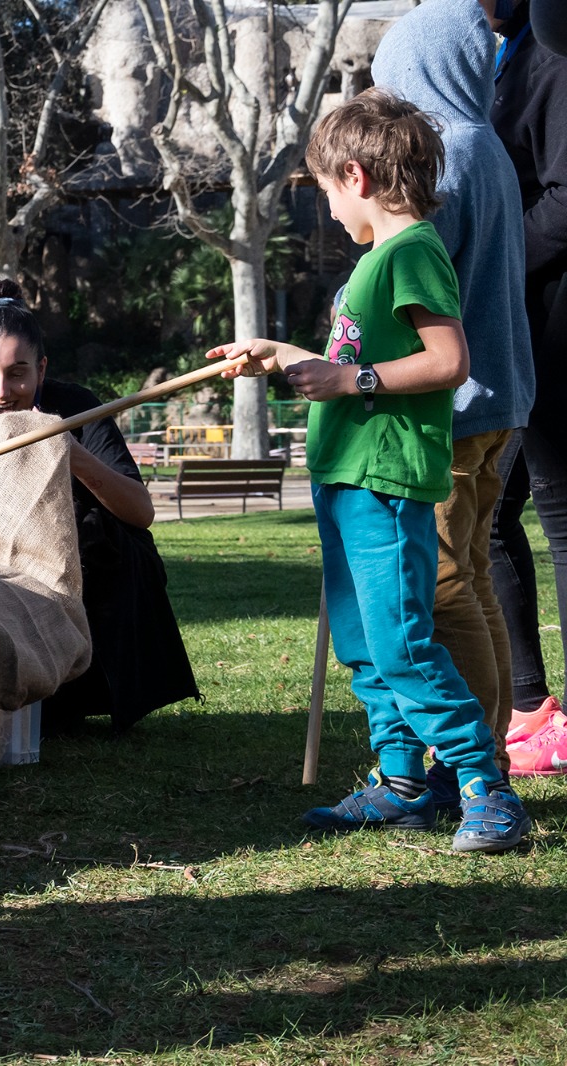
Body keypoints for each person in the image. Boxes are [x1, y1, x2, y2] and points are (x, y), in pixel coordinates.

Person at [207, 88, 529, 853]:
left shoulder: (411, 252)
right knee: (363, 644)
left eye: (322, 192)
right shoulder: (380, 262)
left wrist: (350, 382)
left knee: (403, 645)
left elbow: (448, 361)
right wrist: (285, 357)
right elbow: (350, 361)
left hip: (385, 485)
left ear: (353, 176)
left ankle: (486, 787)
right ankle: (401, 784)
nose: (328, 210)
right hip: (349, 480)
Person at [370, 0, 535, 801]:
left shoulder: (452, 157)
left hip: (459, 408)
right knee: (470, 574)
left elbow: (422, 287)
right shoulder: (488, 147)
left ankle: (472, 765)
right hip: (502, 400)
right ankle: (487, 751)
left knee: (440, 585)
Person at [0, 280, 199, 733]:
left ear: (41, 368)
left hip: (77, 558)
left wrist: (71, 451)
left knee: (108, 539)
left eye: (17, 373)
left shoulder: (76, 407)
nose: (1, 391)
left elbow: (141, 512)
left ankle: (78, 693)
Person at [481, 0, 567, 775]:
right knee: (496, 506)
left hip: (551, 317)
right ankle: (529, 701)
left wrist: (497, 262)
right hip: (516, 326)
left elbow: (566, 199)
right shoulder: (496, 58)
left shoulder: (556, 53)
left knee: (559, 510)